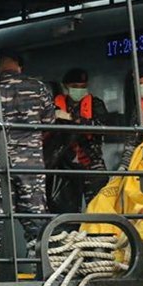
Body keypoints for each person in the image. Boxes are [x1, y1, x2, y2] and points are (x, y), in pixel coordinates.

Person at [0, 50, 55, 255]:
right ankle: (42, 260)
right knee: (35, 212)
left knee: (1, 214)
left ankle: (4, 263)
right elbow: (50, 122)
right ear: (18, 64)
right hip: (31, 161)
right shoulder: (39, 87)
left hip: (0, 160)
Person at [44, 68, 109, 211]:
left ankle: (98, 232)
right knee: (66, 209)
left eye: (82, 87)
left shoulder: (96, 105)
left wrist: (71, 118)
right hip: (65, 166)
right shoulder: (54, 107)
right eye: (75, 87)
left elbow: (101, 126)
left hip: (91, 163)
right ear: (65, 87)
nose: (79, 90)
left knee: (98, 207)